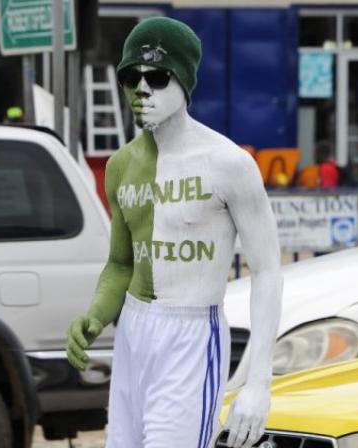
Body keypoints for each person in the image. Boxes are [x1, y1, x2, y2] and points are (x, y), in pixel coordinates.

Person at [65, 17, 283, 448]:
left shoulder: (228, 163)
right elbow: (122, 262)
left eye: (157, 77)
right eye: (131, 77)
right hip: (133, 332)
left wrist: (259, 382)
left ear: (184, 81)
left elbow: (269, 270)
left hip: (191, 335)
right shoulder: (120, 166)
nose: (142, 89)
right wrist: (96, 315)